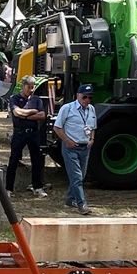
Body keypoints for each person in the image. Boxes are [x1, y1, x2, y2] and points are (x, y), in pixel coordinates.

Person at [53, 84, 98, 216]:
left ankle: (70, 199)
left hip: (85, 146)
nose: (87, 100)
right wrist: (67, 141)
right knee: (77, 177)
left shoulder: (92, 109)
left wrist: (92, 139)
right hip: (71, 147)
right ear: (77, 95)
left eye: (90, 97)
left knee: (81, 176)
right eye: (85, 97)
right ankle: (82, 204)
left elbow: (93, 126)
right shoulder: (67, 108)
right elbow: (57, 127)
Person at [6, 77, 50, 197]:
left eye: (33, 87)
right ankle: (8, 188)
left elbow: (42, 115)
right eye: (29, 87)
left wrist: (24, 115)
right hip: (19, 133)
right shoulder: (14, 98)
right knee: (14, 160)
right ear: (23, 86)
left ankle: (37, 187)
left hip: (33, 133)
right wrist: (32, 112)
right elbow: (16, 112)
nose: (31, 89)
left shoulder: (36, 99)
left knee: (37, 160)